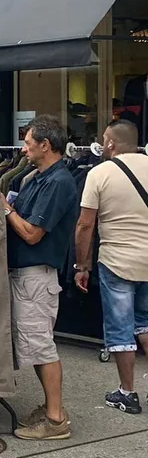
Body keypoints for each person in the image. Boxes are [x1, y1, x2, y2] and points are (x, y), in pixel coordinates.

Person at [2, 115, 80, 440]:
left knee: (42, 348)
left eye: (28, 142)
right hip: (28, 275)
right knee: (34, 346)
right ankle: (52, 408)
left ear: (45, 145)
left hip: (37, 276)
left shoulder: (59, 183)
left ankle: (55, 420)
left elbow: (32, 233)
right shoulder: (38, 177)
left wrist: (4, 210)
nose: (24, 149)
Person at [74, 119, 148, 415]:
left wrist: (82, 265)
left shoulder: (100, 173)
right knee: (144, 322)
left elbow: (85, 225)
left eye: (104, 139)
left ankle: (127, 393)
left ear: (111, 144)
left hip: (117, 261)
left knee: (120, 329)